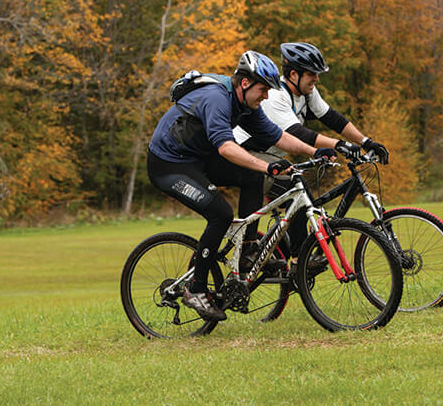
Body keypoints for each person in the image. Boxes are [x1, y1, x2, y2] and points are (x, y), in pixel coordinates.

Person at [148, 51, 337, 321]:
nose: (267, 96)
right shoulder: (217, 100)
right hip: (169, 166)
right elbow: (226, 148)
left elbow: (278, 136)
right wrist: (266, 165)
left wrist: (314, 151)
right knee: (221, 214)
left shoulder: (246, 106)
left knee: (253, 177)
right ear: (245, 83)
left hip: (198, 159)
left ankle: (248, 248)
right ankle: (196, 289)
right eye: (263, 90)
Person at [234, 42, 389, 262]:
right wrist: (340, 145)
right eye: (312, 74)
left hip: (270, 157)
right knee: (297, 188)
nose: (316, 79)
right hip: (247, 154)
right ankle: (299, 260)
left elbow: (332, 118)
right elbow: (297, 133)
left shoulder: (307, 93)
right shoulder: (276, 96)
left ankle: (292, 253)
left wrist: (366, 141)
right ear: (294, 74)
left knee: (299, 195)